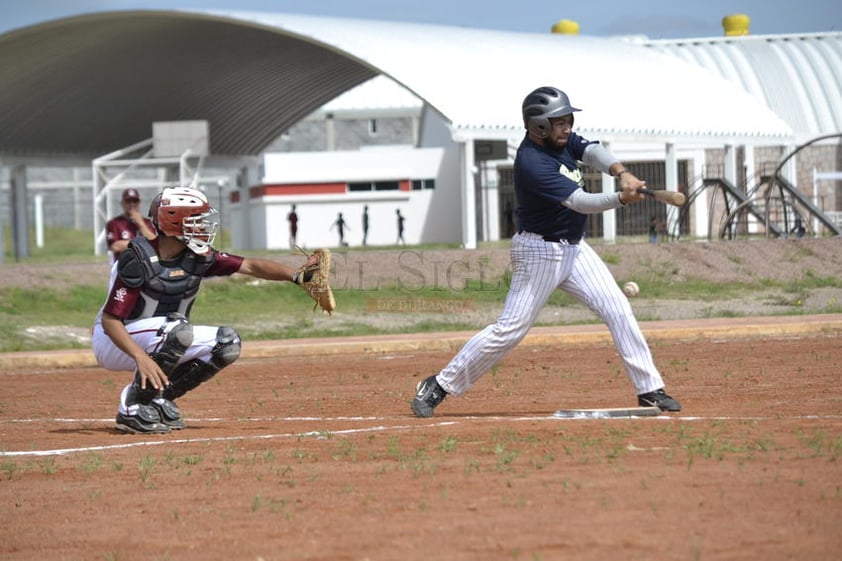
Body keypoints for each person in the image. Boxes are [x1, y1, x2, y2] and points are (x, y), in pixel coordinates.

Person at [411, 86, 682, 418]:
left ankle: (649, 390)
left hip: (575, 250)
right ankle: (438, 385)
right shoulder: (532, 162)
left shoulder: (564, 140)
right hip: (539, 252)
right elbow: (580, 202)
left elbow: (593, 151)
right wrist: (621, 198)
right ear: (539, 126)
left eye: (568, 120)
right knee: (509, 330)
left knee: (618, 310)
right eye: (559, 122)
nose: (567, 127)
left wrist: (622, 173)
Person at [92, 186, 330, 434]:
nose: (203, 227)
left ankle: (158, 398)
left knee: (227, 343)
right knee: (178, 330)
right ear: (174, 223)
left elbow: (249, 266)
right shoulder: (138, 259)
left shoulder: (197, 256)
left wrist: (297, 276)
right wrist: (140, 357)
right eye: (196, 221)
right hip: (114, 340)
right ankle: (133, 405)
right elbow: (111, 321)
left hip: (160, 335)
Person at [105, 188, 157, 262]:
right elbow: (115, 246)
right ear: (122, 203)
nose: (132, 204)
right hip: (123, 264)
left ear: (139, 203)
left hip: (145, 263)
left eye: (135, 201)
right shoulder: (114, 223)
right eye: (128, 201)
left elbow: (154, 242)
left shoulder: (148, 222)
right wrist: (144, 244)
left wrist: (140, 224)